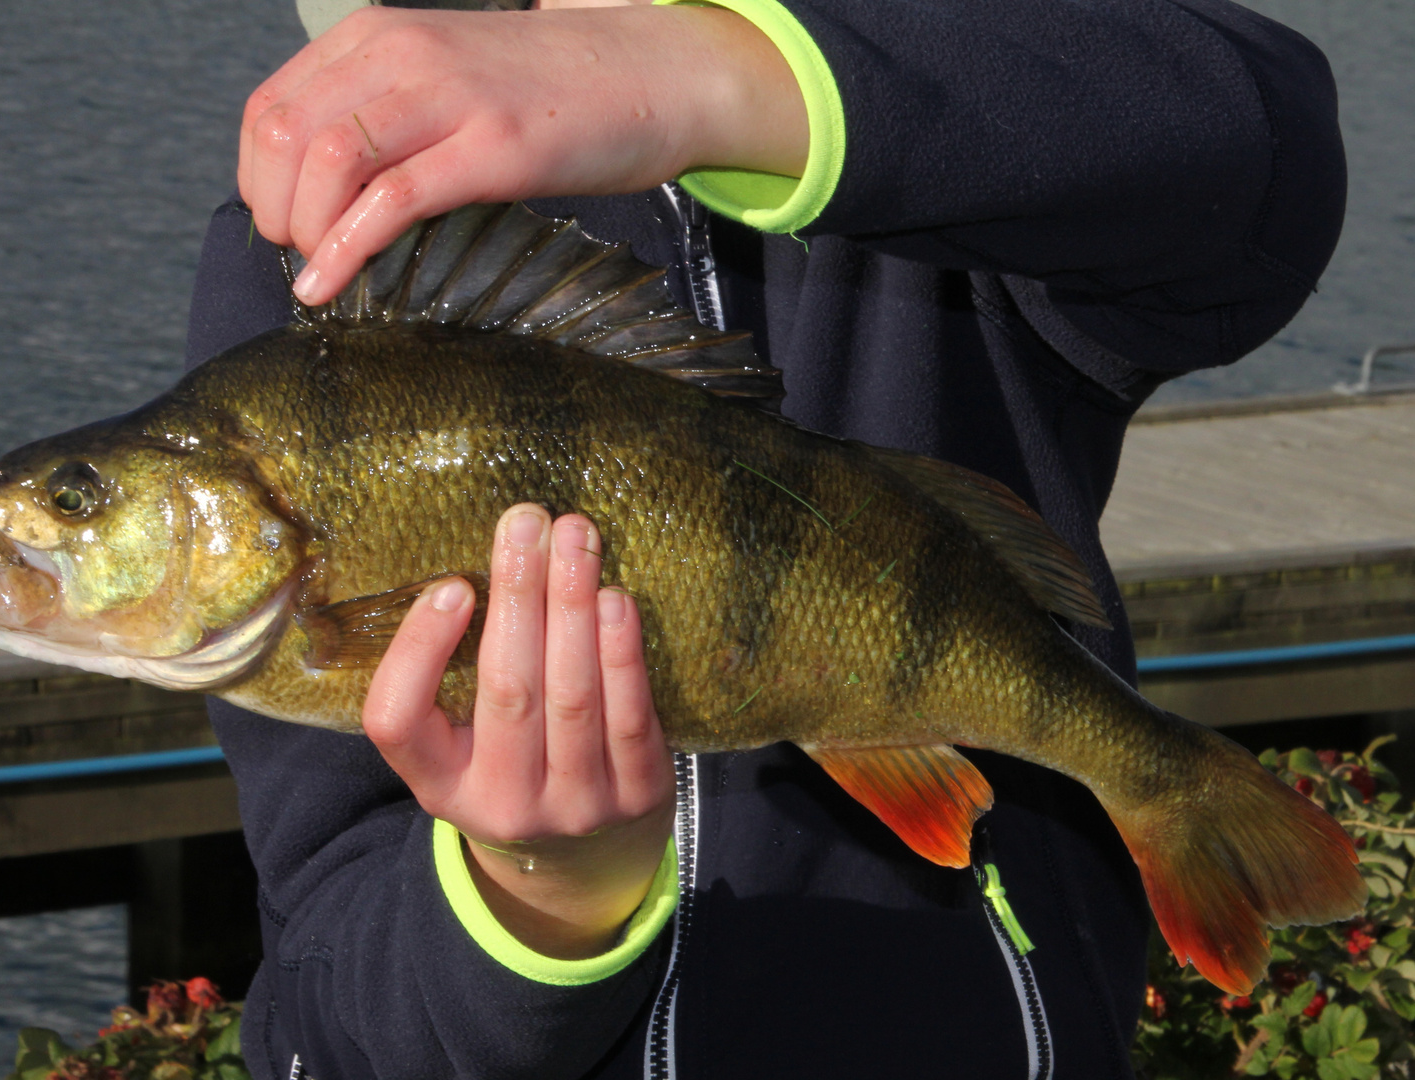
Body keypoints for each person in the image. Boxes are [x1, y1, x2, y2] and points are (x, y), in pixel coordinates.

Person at [184, 0, 1345, 1075]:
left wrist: (703, 79)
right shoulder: (308, 251)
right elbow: (328, 1019)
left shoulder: (954, 133)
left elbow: (1261, 145)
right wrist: (541, 888)